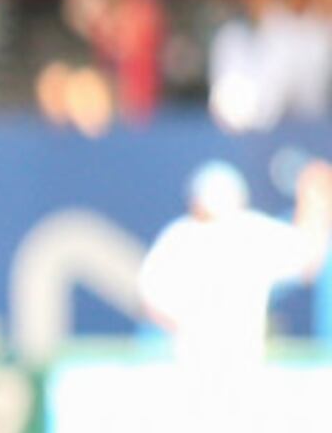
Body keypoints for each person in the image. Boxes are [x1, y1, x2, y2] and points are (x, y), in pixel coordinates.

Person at [136, 160, 332, 375]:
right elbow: (151, 296)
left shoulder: (244, 233)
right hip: (198, 367)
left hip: (230, 368)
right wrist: (314, 198)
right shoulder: (187, 238)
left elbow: (307, 259)